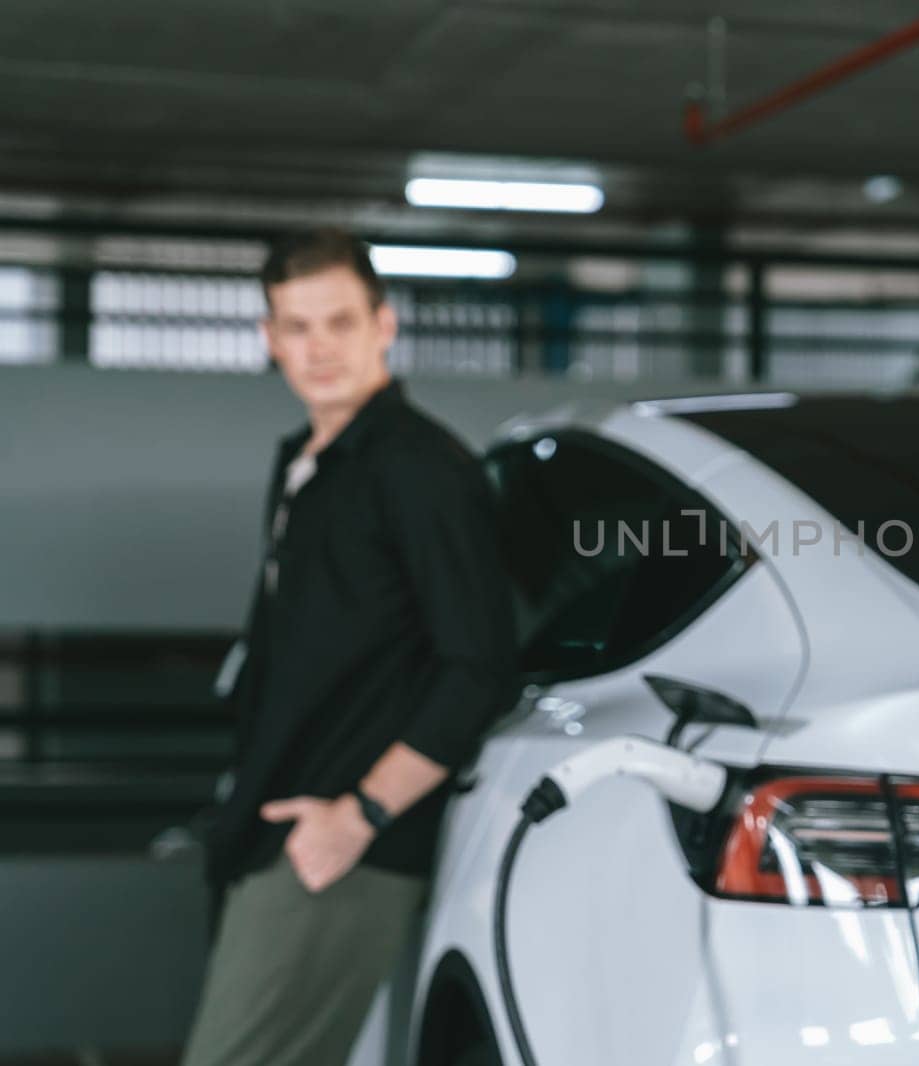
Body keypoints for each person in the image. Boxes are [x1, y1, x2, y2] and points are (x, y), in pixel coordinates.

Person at [182, 228, 517, 1066]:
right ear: (269, 338)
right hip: (275, 822)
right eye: (297, 327)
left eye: (339, 322)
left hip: (341, 845)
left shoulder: (420, 468)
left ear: (383, 324)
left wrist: (359, 814)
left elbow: (479, 665)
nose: (319, 348)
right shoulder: (306, 461)